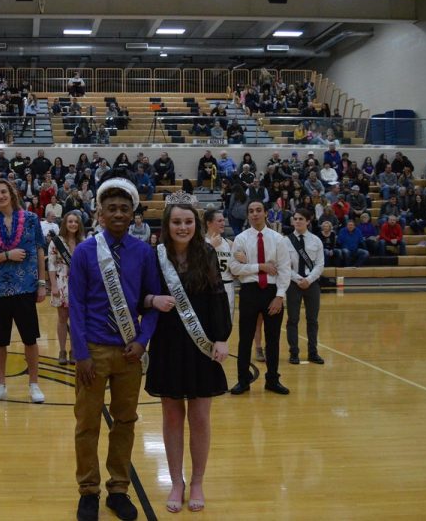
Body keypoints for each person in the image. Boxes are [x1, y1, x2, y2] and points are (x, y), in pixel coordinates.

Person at [69, 176, 160, 521]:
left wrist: (142, 340)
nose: (119, 213)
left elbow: (149, 304)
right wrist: (81, 354)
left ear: (133, 211)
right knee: (87, 424)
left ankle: (119, 488)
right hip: (93, 351)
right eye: (112, 208)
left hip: (128, 353)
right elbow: (75, 306)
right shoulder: (84, 251)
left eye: (125, 208)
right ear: (101, 213)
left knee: (125, 421)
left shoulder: (143, 252)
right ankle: (88, 491)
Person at [145, 198, 231, 514]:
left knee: (199, 417)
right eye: (177, 222)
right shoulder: (155, 257)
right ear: (167, 226)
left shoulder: (206, 253)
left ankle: (196, 481)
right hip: (167, 344)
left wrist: (222, 337)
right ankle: (176, 482)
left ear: (196, 225)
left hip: (201, 344)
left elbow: (219, 298)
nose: (183, 227)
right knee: (170, 416)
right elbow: (139, 294)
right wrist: (153, 299)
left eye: (188, 222)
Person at [0, 179, 48, 404]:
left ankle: (34, 384)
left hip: (26, 287)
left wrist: (42, 283)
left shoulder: (30, 219)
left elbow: (38, 250)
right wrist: (6, 255)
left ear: (12, 193)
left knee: (30, 339)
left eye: (4, 192)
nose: (1, 196)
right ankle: (0, 385)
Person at [229, 200, 292, 396]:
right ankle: (242, 380)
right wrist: (261, 267)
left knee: (273, 339)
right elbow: (235, 268)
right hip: (249, 291)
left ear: (265, 213)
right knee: (245, 339)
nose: (254, 214)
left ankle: (272, 380)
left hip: (272, 293)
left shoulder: (278, 239)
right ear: (247, 215)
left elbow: (284, 270)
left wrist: (280, 297)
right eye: (251, 211)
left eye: (258, 210)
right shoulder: (240, 239)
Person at [284, 209, 326, 365]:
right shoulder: (286, 241)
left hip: (312, 284)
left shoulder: (316, 241)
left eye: (301, 218)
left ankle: (313, 353)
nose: (297, 221)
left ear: (308, 221)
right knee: (292, 320)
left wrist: (309, 279)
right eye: (295, 219)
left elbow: (320, 264)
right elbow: (284, 265)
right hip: (293, 284)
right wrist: (298, 279)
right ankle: (294, 353)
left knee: (312, 320)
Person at [48, 212, 85, 366]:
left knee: (77, 320)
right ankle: (62, 350)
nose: (73, 224)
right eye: (70, 221)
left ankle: (74, 350)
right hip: (62, 282)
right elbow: (50, 265)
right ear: (65, 223)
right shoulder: (56, 241)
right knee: (63, 319)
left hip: (79, 284)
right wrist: (54, 286)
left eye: (76, 222)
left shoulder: (83, 241)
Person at [204, 209, 235, 320]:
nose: (223, 223)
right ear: (208, 223)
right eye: (219, 220)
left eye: (223, 220)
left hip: (228, 287)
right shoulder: (201, 242)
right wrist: (211, 247)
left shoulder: (229, 243)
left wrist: (241, 262)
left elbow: (235, 270)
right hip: (209, 287)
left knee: (227, 324)